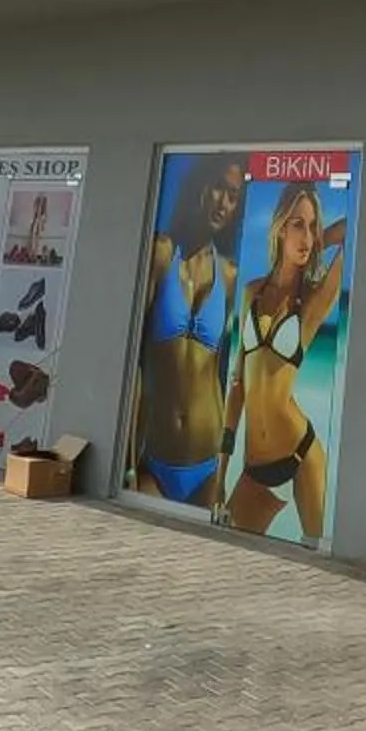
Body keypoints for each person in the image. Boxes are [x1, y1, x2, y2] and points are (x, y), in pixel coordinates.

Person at [221, 183, 348, 541]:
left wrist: (316, 236)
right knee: (232, 547)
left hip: (301, 453)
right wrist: (221, 471)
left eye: (312, 225)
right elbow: (238, 385)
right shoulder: (251, 293)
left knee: (315, 557)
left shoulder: (312, 301)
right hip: (254, 466)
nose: (305, 236)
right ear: (278, 228)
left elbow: (354, 230)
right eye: (296, 224)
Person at [130, 159, 243, 507]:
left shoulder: (229, 275)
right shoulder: (162, 254)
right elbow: (133, 362)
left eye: (233, 196)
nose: (223, 202)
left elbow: (228, 376)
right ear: (199, 187)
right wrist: (128, 461)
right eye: (218, 187)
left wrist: (226, 466)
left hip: (207, 467)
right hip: (155, 461)